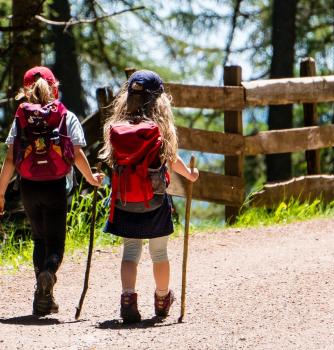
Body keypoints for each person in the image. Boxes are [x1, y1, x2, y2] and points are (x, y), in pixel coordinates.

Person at [0, 66, 103, 316]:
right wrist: (91, 178)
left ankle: (42, 297)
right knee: (56, 243)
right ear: (54, 87)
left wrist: (0, 193)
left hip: (29, 187)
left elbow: (11, 159)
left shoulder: (20, 117)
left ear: (26, 90)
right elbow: (77, 154)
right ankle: (48, 275)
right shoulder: (65, 116)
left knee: (39, 239)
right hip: (56, 186)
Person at [99, 70, 199, 323]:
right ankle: (163, 298)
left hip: (124, 201)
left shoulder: (116, 128)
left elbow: (111, 161)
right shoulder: (159, 128)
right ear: (159, 100)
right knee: (159, 253)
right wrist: (190, 175)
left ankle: (127, 298)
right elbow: (171, 160)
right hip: (153, 202)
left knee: (130, 251)